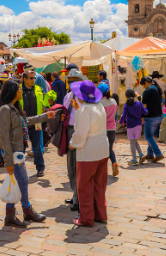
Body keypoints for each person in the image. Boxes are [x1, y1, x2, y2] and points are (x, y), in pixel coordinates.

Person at [0, 79, 56, 227]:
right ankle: (26, 210)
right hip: (13, 152)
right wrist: (8, 161)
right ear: (12, 92)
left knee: (19, 180)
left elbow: (25, 121)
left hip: (18, 150)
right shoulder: (5, 110)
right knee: (22, 180)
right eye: (19, 89)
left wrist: (45, 116)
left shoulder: (13, 108)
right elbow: (4, 136)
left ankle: (14, 213)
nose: (21, 91)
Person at [68, 81, 110, 227]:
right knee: (99, 184)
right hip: (102, 149)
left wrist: (72, 144)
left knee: (84, 186)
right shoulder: (99, 106)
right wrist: (79, 110)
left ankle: (86, 218)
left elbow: (81, 134)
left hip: (88, 153)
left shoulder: (85, 110)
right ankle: (100, 214)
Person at [63, 67, 85, 211]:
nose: (72, 83)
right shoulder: (67, 97)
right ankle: (74, 193)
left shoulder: (84, 97)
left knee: (79, 166)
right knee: (71, 167)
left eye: (74, 81)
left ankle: (78, 198)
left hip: (80, 131)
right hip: (69, 131)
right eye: (70, 81)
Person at [20, 70, 47, 177]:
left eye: (34, 78)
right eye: (31, 78)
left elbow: (44, 103)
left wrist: (48, 103)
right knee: (20, 148)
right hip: (22, 123)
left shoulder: (38, 89)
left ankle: (40, 168)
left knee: (38, 147)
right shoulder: (19, 90)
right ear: (24, 79)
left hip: (36, 122)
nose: (33, 80)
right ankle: (19, 168)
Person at [119, 88, 148, 166]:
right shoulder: (139, 104)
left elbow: (124, 115)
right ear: (134, 95)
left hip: (130, 126)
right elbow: (145, 113)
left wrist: (120, 122)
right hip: (139, 125)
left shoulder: (126, 105)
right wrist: (146, 107)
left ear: (126, 96)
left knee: (132, 142)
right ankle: (141, 155)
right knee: (134, 141)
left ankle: (134, 159)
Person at [140, 76, 164, 162]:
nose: (143, 87)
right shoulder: (156, 88)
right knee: (151, 136)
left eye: (143, 85)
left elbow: (142, 99)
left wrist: (136, 95)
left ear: (146, 82)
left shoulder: (149, 89)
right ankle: (150, 155)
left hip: (151, 116)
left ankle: (158, 153)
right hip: (158, 116)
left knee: (148, 137)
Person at [98, 84, 118, 175]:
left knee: (101, 151)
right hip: (112, 129)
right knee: (110, 149)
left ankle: (101, 170)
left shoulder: (100, 103)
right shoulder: (113, 101)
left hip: (102, 129)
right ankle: (114, 162)